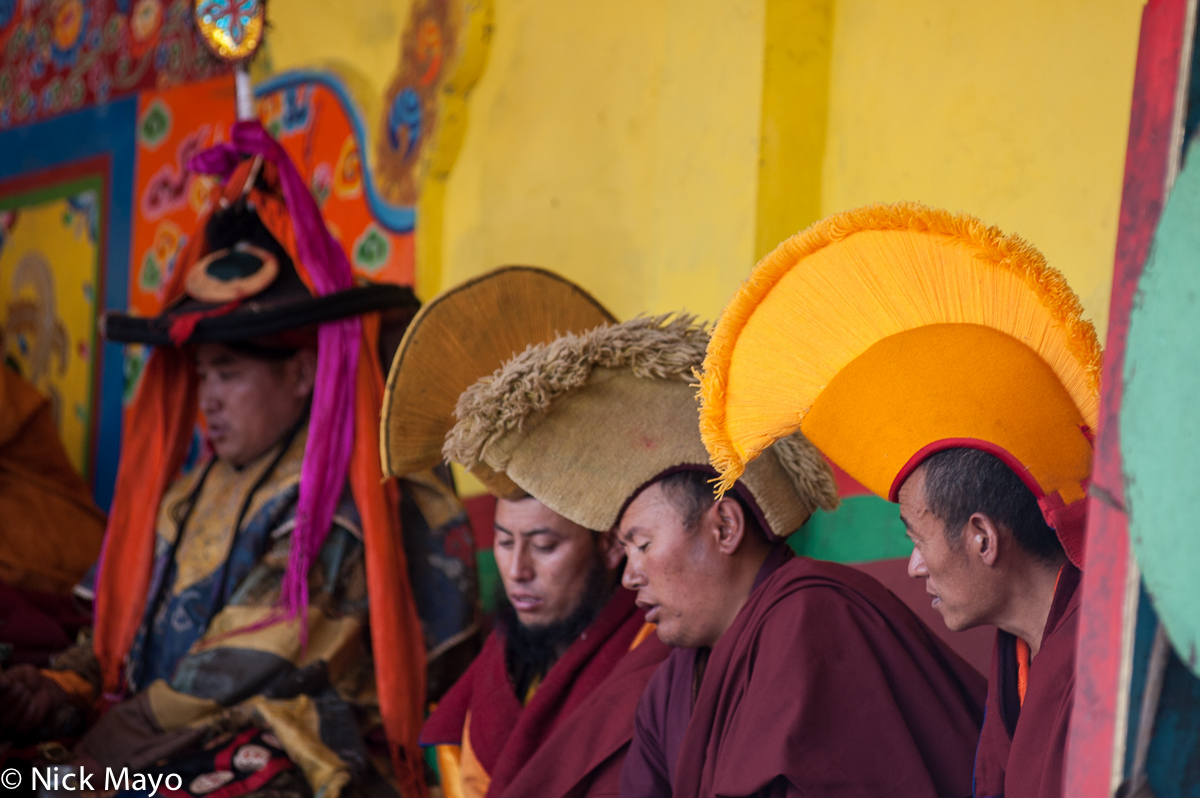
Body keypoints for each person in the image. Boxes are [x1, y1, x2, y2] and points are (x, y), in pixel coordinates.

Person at [0, 122, 456, 798]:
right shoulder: (187, 491)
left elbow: (253, 662)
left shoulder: (334, 499)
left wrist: (114, 740)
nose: (207, 400)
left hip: (289, 740)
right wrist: (61, 685)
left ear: (302, 375)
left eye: (230, 375)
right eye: (203, 376)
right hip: (150, 733)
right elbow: (109, 636)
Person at [698, 202, 1098, 798]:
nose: (913, 565)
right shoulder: (1020, 652)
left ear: (983, 538)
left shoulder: (1096, 664)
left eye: (915, 536)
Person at [380, 266, 669, 798]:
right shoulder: (511, 649)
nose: (516, 572)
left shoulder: (650, 645)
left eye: (544, 545)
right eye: (507, 542)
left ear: (608, 545)